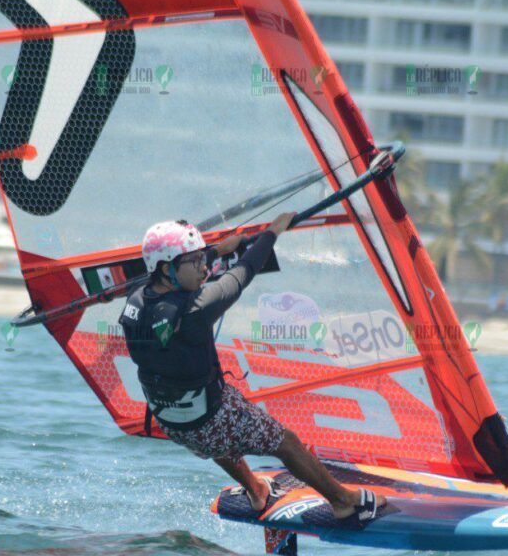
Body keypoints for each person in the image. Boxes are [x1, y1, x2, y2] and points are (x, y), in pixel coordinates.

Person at [119, 216, 381, 527]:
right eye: (196, 261)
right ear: (167, 268)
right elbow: (241, 275)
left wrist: (217, 251)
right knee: (285, 442)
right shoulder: (197, 310)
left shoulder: (138, 296)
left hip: (171, 421)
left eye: (203, 259)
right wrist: (272, 232)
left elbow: (184, 271)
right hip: (208, 419)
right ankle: (343, 502)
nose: (204, 268)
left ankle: (257, 490)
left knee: (224, 418)